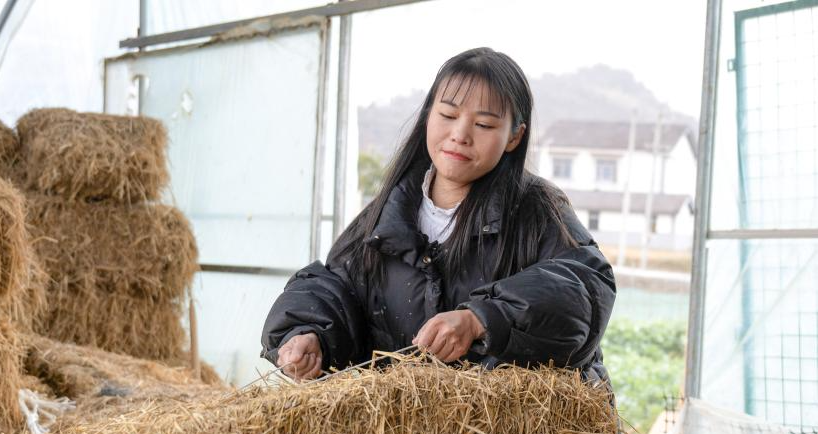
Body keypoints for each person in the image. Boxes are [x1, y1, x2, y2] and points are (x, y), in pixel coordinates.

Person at [261, 47, 615, 384]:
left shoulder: (538, 208)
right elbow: (337, 287)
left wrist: (483, 318)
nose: (459, 135)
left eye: (485, 125)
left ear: (514, 136)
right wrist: (308, 333)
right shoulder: (388, 212)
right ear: (429, 115)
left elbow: (585, 287)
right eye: (447, 115)